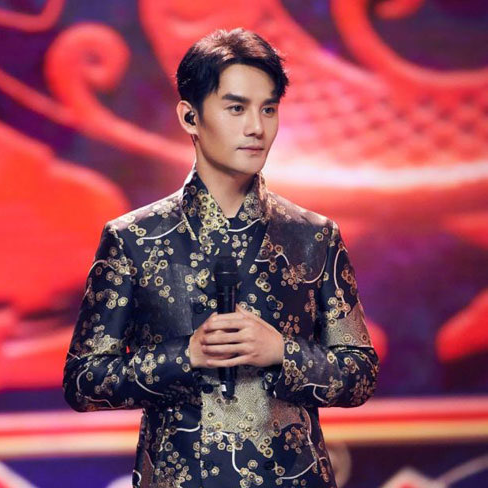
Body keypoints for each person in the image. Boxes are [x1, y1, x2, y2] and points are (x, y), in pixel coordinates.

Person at [63, 28, 379, 488]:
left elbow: (360, 374)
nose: (256, 128)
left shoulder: (313, 236)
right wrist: (186, 356)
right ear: (189, 117)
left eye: (268, 109)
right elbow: (84, 381)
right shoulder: (134, 239)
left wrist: (281, 352)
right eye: (236, 108)